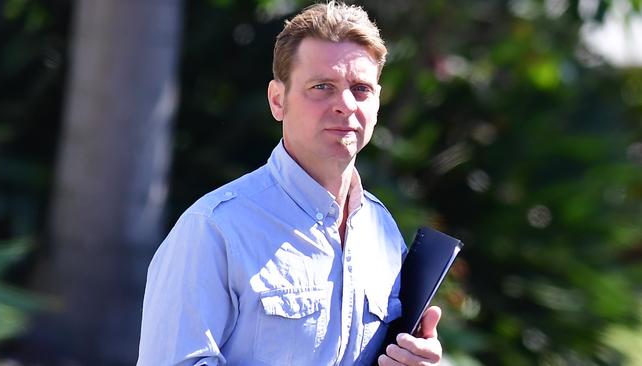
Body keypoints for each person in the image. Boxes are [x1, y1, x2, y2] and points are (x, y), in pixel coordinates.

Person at [137, 2, 443, 365]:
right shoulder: (214, 230)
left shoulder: (383, 233)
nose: (345, 104)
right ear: (277, 100)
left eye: (360, 88)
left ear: (377, 102)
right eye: (322, 86)